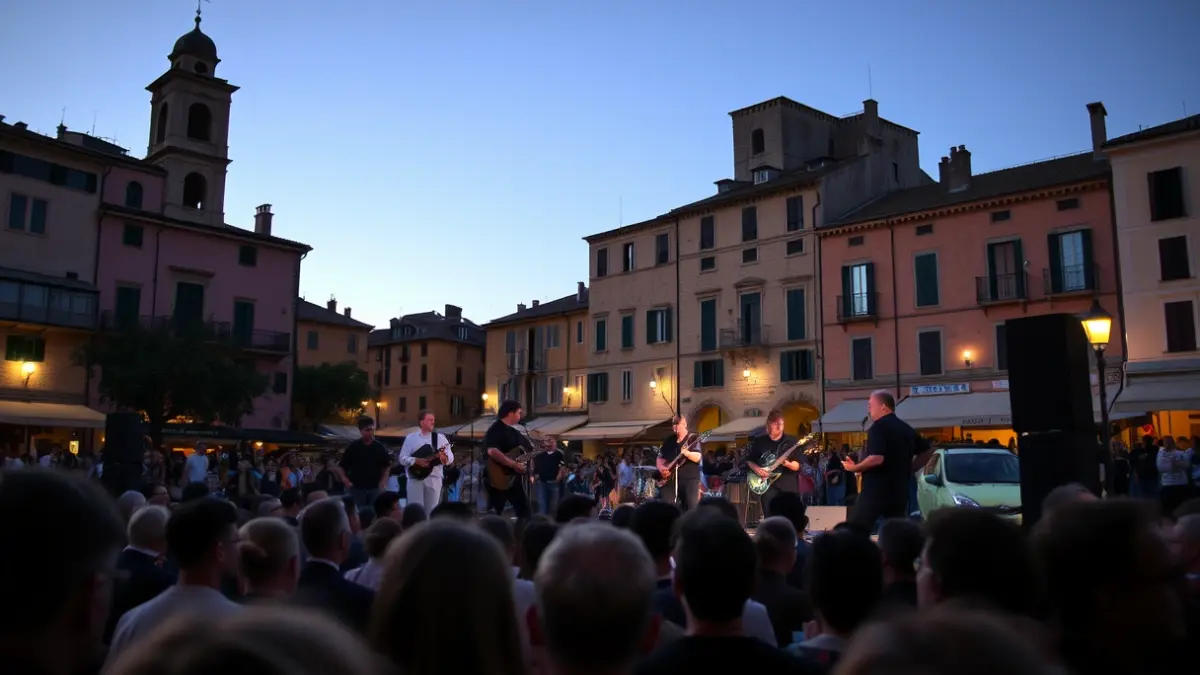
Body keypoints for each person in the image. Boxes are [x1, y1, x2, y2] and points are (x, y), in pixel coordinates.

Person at [842, 391, 926, 532]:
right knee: (895, 531)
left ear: (882, 406)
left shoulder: (878, 427)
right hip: (899, 490)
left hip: (876, 489)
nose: (868, 409)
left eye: (870, 405)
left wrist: (855, 468)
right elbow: (928, 451)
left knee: (857, 530)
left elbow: (877, 458)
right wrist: (910, 468)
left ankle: (857, 553)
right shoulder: (906, 428)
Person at [745, 410, 803, 519]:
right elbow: (749, 460)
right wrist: (757, 469)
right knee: (770, 518)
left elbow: (797, 465)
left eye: (776, 424)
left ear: (781, 425)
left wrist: (787, 464)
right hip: (767, 487)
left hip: (787, 486)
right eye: (769, 425)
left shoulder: (792, 441)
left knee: (789, 518)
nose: (770, 428)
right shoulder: (759, 441)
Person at [483, 399, 533, 518]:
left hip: (513, 478)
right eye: (519, 412)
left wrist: (543, 447)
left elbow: (528, 448)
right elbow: (492, 451)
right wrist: (513, 464)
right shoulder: (495, 430)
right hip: (498, 477)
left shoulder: (514, 432)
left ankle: (521, 535)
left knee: (524, 512)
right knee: (497, 512)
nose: (520, 415)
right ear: (511, 413)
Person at [398, 410, 454, 511]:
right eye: (429, 420)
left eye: (433, 420)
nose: (433, 422)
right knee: (416, 511)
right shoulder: (411, 438)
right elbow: (402, 458)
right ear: (421, 422)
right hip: (415, 478)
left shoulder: (440, 438)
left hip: (434, 479)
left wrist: (445, 458)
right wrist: (415, 461)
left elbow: (450, 457)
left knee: (432, 511)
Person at [336, 417, 392, 509]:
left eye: (372, 430)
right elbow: (342, 466)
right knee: (358, 513)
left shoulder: (379, 447)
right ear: (361, 431)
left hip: (374, 488)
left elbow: (386, 466)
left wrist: (383, 481)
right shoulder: (353, 447)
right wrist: (345, 480)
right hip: (356, 488)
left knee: (374, 512)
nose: (370, 433)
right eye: (367, 430)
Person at [656, 415, 702, 511]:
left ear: (684, 424)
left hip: (690, 480)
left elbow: (698, 457)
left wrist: (687, 453)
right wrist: (662, 468)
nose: (675, 426)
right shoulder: (670, 440)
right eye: (673, 424)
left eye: (677, 423)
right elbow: (660, 458)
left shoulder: (692, 438)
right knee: (667, 507)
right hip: (672, 481)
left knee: (691, 508)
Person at [533, 440, 566, 515]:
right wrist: (535, 476)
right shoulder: (539, 456)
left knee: (555, 503)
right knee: (542, 502)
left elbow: (562, 467)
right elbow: (536, 467)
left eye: (551, 443)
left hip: (554, 481)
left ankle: (555, 520)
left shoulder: (559, 455)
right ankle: (544, 520)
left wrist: (558, 477)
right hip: (542, 481)